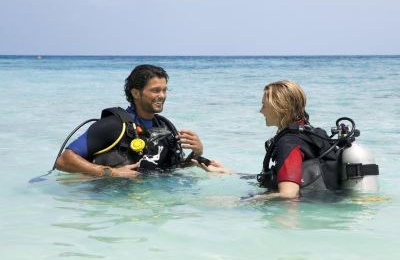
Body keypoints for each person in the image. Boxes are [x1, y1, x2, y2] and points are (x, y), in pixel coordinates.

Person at [194, 80, 339, 199]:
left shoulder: (289, 142)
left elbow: (288, 195)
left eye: (264, 105)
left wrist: (241, 202)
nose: (261, 111)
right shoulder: (311, 133)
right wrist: (228, 172)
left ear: (280, 108)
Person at [56, 64, 204, 178]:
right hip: (110, 201)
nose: (162, 95)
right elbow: (63, 161)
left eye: (164, 90)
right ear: (135, 93)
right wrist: (111, 173)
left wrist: (197, 153)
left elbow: (171, 169)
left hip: (150, 201)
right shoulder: (113, 125)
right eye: (155, 90)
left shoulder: (165, 127)